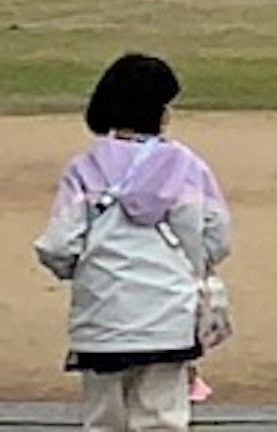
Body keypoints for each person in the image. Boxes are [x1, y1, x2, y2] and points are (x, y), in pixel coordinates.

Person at [32, 53, 229, 432]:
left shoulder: (84, 168)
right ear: (160, 111)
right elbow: (216, 235)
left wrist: (84, 270)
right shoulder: (187, 166)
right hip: (168, 315)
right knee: (162, 418)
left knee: (103, 419)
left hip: (101, 316)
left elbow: (58, 245)